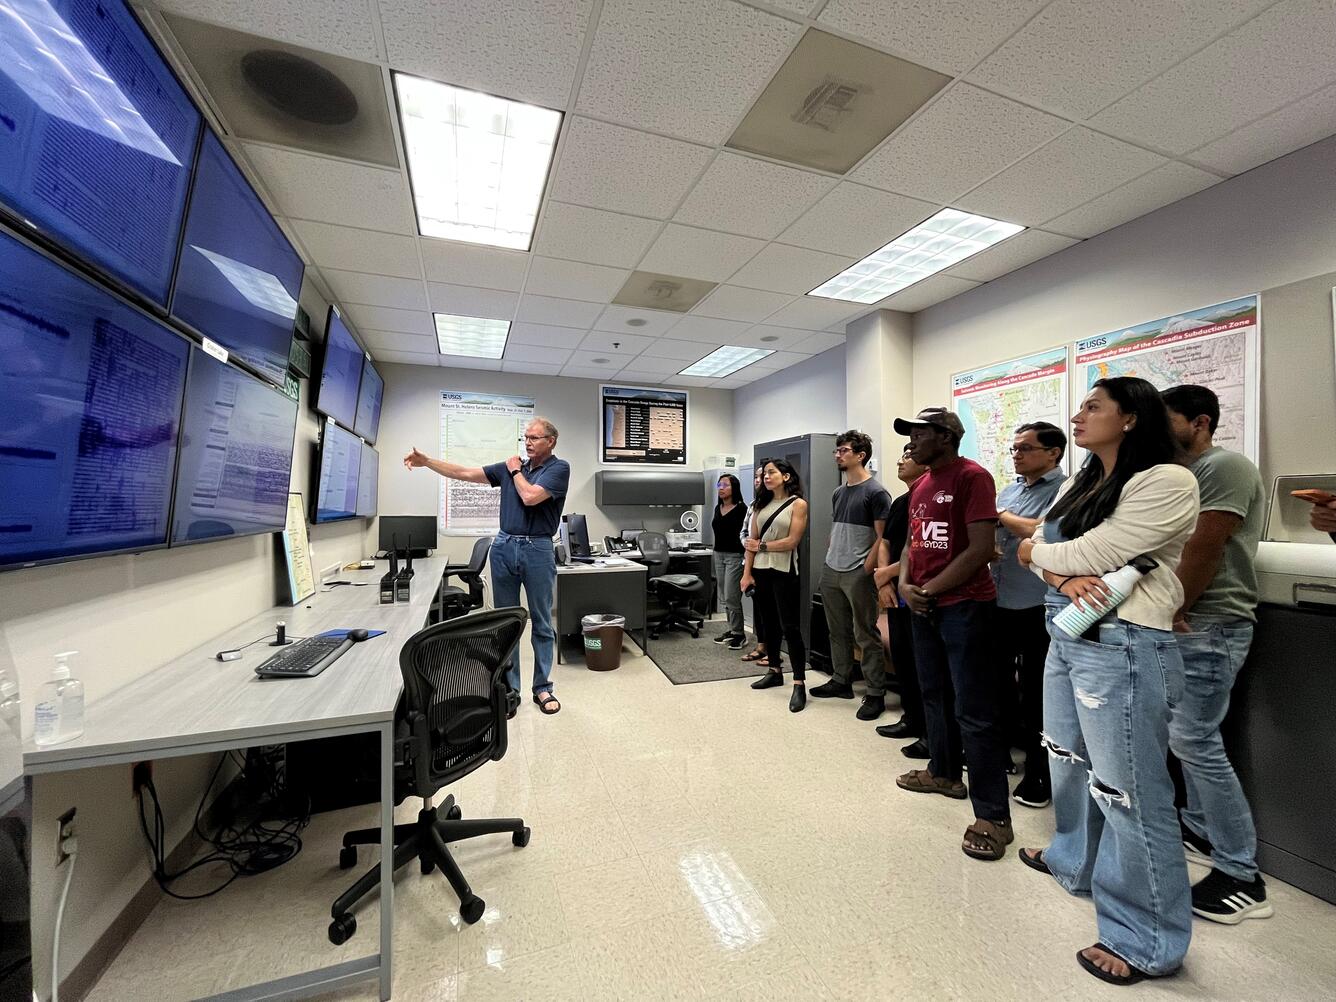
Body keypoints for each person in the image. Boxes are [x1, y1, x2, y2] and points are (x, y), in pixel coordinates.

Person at [1017, 377, 1199, 985]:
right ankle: (1074, 861)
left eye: (1093, 406)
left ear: (1130, 418)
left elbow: (1080, 551)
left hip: (1126, 642)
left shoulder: (1167, 481)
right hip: (1070, 631)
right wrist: (1061, 576)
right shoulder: (1084, 480)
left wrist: (1051, 561)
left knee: (1129, 790)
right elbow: (1044, 552)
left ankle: (1146, 939)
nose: (1080, 413)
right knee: (1067, 759)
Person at [1161, 384, 1272, 924]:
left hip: (1210, 620)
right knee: (1186, 739)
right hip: (1186, 617)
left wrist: (1175, 605)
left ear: (1200, 422)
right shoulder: (1179, 474)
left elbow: (1203, 547)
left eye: (1167, 419)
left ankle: (1241, 874)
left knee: (1193, 739)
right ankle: (1201, 832)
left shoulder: (1225, 466)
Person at [892, 408, 1014, 862]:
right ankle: (943, 773)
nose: (912, 443)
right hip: (923, 605)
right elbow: (911, 544)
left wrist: (929, 589)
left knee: (975, 710)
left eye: (919, 434)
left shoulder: (972, 477)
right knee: (933, 694)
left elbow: (980, 550)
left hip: (965, 608)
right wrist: (906, 585)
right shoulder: (922, 484)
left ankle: (993, 816)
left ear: (945, 437)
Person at [404, 417, 570, 715]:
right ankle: (509, 689)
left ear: (551, 441)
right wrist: (427, 461)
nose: (528, 443)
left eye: (534, 438)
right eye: (526, 438)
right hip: (504, 546)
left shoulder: (558, 469)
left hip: (538, 549)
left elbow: (530, 497)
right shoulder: (510, 467)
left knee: (542, 623)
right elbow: (465, 473)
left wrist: (515, 470)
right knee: (505, 623)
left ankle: (542, 688)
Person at [992, 421, 1067, 809]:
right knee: (1000, 684)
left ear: (1053, 452)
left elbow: (1040, 530)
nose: (1017, 455)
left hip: (1040, 604)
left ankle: (1041, 772)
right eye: (1014, 449)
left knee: (1040, 693)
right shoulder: (1011, 490)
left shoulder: (1065, 490)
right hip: (1001, 599)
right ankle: (1004, 754)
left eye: (1025, 448)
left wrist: (1002, 517)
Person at [810, 430, 893, 720]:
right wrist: (831, 554)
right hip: (832, 569)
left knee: (865, 633)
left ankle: (875, 694)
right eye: (837, 450)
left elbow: (882, 539)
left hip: (858, 572)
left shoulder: (877, 493)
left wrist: (866, 570)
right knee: (837, 630)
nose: (837, 455)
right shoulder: (838, 492)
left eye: (843, 450)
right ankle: (841, 679)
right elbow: (837, 530)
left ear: (860, 456)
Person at [873, 444, 930, 756]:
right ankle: (911, 718)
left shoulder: (931, 499)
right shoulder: (901, 501)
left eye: (909, 455)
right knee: (904, 659)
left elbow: (921, 550)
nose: (900, 460)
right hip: (894, 589)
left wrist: (888, 574)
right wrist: (884, 577)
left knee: (923, 664)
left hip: (917, 590)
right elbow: (887, 542)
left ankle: (929, 730)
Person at [741, 459, 810, 713]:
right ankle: (774, 670)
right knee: (768, 624)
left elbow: (792, 541)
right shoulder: (760, 505)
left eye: (772, 473)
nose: (766, 477)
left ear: (787, 476)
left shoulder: (798, 504)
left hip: (784, 571)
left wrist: (763, 547)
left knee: (789, 627)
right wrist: (746, 574)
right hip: (760, 571)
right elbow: (751, 543)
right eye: (764, 474)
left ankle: (799, 682)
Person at [711, 474, 747, 650]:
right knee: (724, 596)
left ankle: (739, 634)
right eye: (719, 484)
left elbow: (746, 534)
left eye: (725, 485)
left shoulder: (742, 509)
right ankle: (732, 630)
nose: (721, 488)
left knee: (732, 596)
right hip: (718, 555)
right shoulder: (718, 508)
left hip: (735, 556)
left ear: (734, 488)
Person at [739, 464, 770, 665]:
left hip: (772, 564)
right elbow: (744, 533)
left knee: (771, 611)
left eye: (763, 476)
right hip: (752, 562)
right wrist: (750, 544)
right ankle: (761, 646)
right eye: (756, 477)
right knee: (759, 608)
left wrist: (759, 545)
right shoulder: (753, 505)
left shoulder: (779, 504)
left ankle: (772, 652)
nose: (758, 480)